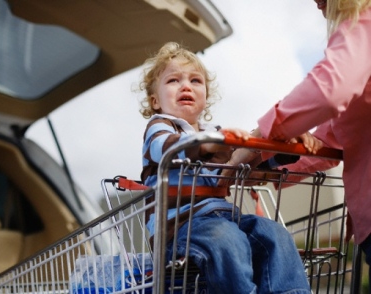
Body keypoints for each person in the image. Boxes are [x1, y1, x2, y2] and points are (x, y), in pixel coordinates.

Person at [138, 42, 312, 294]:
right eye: (174, 80)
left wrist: (281, 152)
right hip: (180, 228)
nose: (186, 85)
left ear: (206, 97)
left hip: (226, 218)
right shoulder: (160, 127)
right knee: (227, 240)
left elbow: (243, 168)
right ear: (155, 100)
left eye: (196, 81)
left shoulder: (214, 135)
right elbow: (164, 148)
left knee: (275, 235)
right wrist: (208, 145)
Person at [230, 0, 371, 287]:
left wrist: (259, 138)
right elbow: (330, 142)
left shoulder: (364, 21)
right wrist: (270, 165)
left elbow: (329, 91)